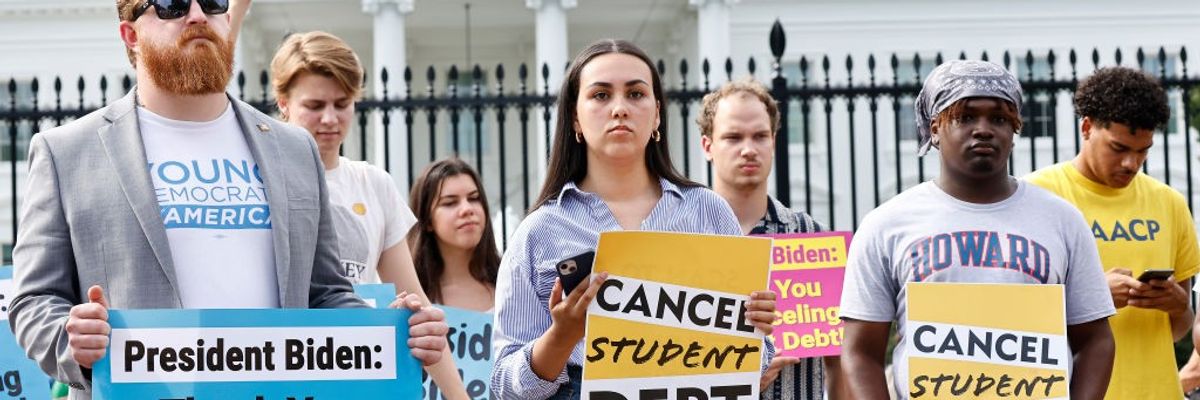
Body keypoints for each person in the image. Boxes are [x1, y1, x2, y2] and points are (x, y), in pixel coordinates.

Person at [6, 1, 446, 398]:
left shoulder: (294, 149)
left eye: (213, 2)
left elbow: (324, 293)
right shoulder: (66, 152)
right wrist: (73, 341)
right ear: (131, 36)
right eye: (171, 5)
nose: (196, 14)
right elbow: (32, 301)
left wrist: (389, 330)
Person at [490, 39, 780, 400]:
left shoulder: (709, 211)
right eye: (600, 95)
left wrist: (756, 328)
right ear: (575, 119)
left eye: (636, 94)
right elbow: (502, 386)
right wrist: (560, 338)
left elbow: (754, 363)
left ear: (657, 113)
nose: (619, 109)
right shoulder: (538, 232)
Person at [838, 59, 1116, 399]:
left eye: (999, 118)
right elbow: (860, 350)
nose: (983, 129)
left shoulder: (1062, 221)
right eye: (965, 117)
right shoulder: (886, 225)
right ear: (935, 128)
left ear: (1014, 130)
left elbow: (1096, 340)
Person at [269, 30, 469, 398]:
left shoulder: (372, 183)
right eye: (314, 106)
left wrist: (459, 396)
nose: (329, 119)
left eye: (342, 103)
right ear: (283, 103)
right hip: (284, 371)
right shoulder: (263, 183)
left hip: (357, 373)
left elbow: (415, 301)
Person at [1025, 66, 1198, 399]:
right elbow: (1009, 318)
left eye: (1142, 151)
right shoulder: (1034, 196)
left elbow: (1178, 329)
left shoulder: (1169, 203)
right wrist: (1091, 297)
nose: (1132, 164)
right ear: (1087, 127)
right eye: (1119, 148)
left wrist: (1178, 306)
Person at [697, 77, 841, 400]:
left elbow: (837, 360)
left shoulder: (811, 236)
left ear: (773, 142)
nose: (748, 149)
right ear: (708, 146)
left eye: (760, 136)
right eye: (733, 137)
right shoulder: (684, 238)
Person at [409, 158, 501, 312]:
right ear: (428, 221)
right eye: (450, 203)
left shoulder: (514, 281)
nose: (467, 209)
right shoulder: (410, 296)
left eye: (474, 198)